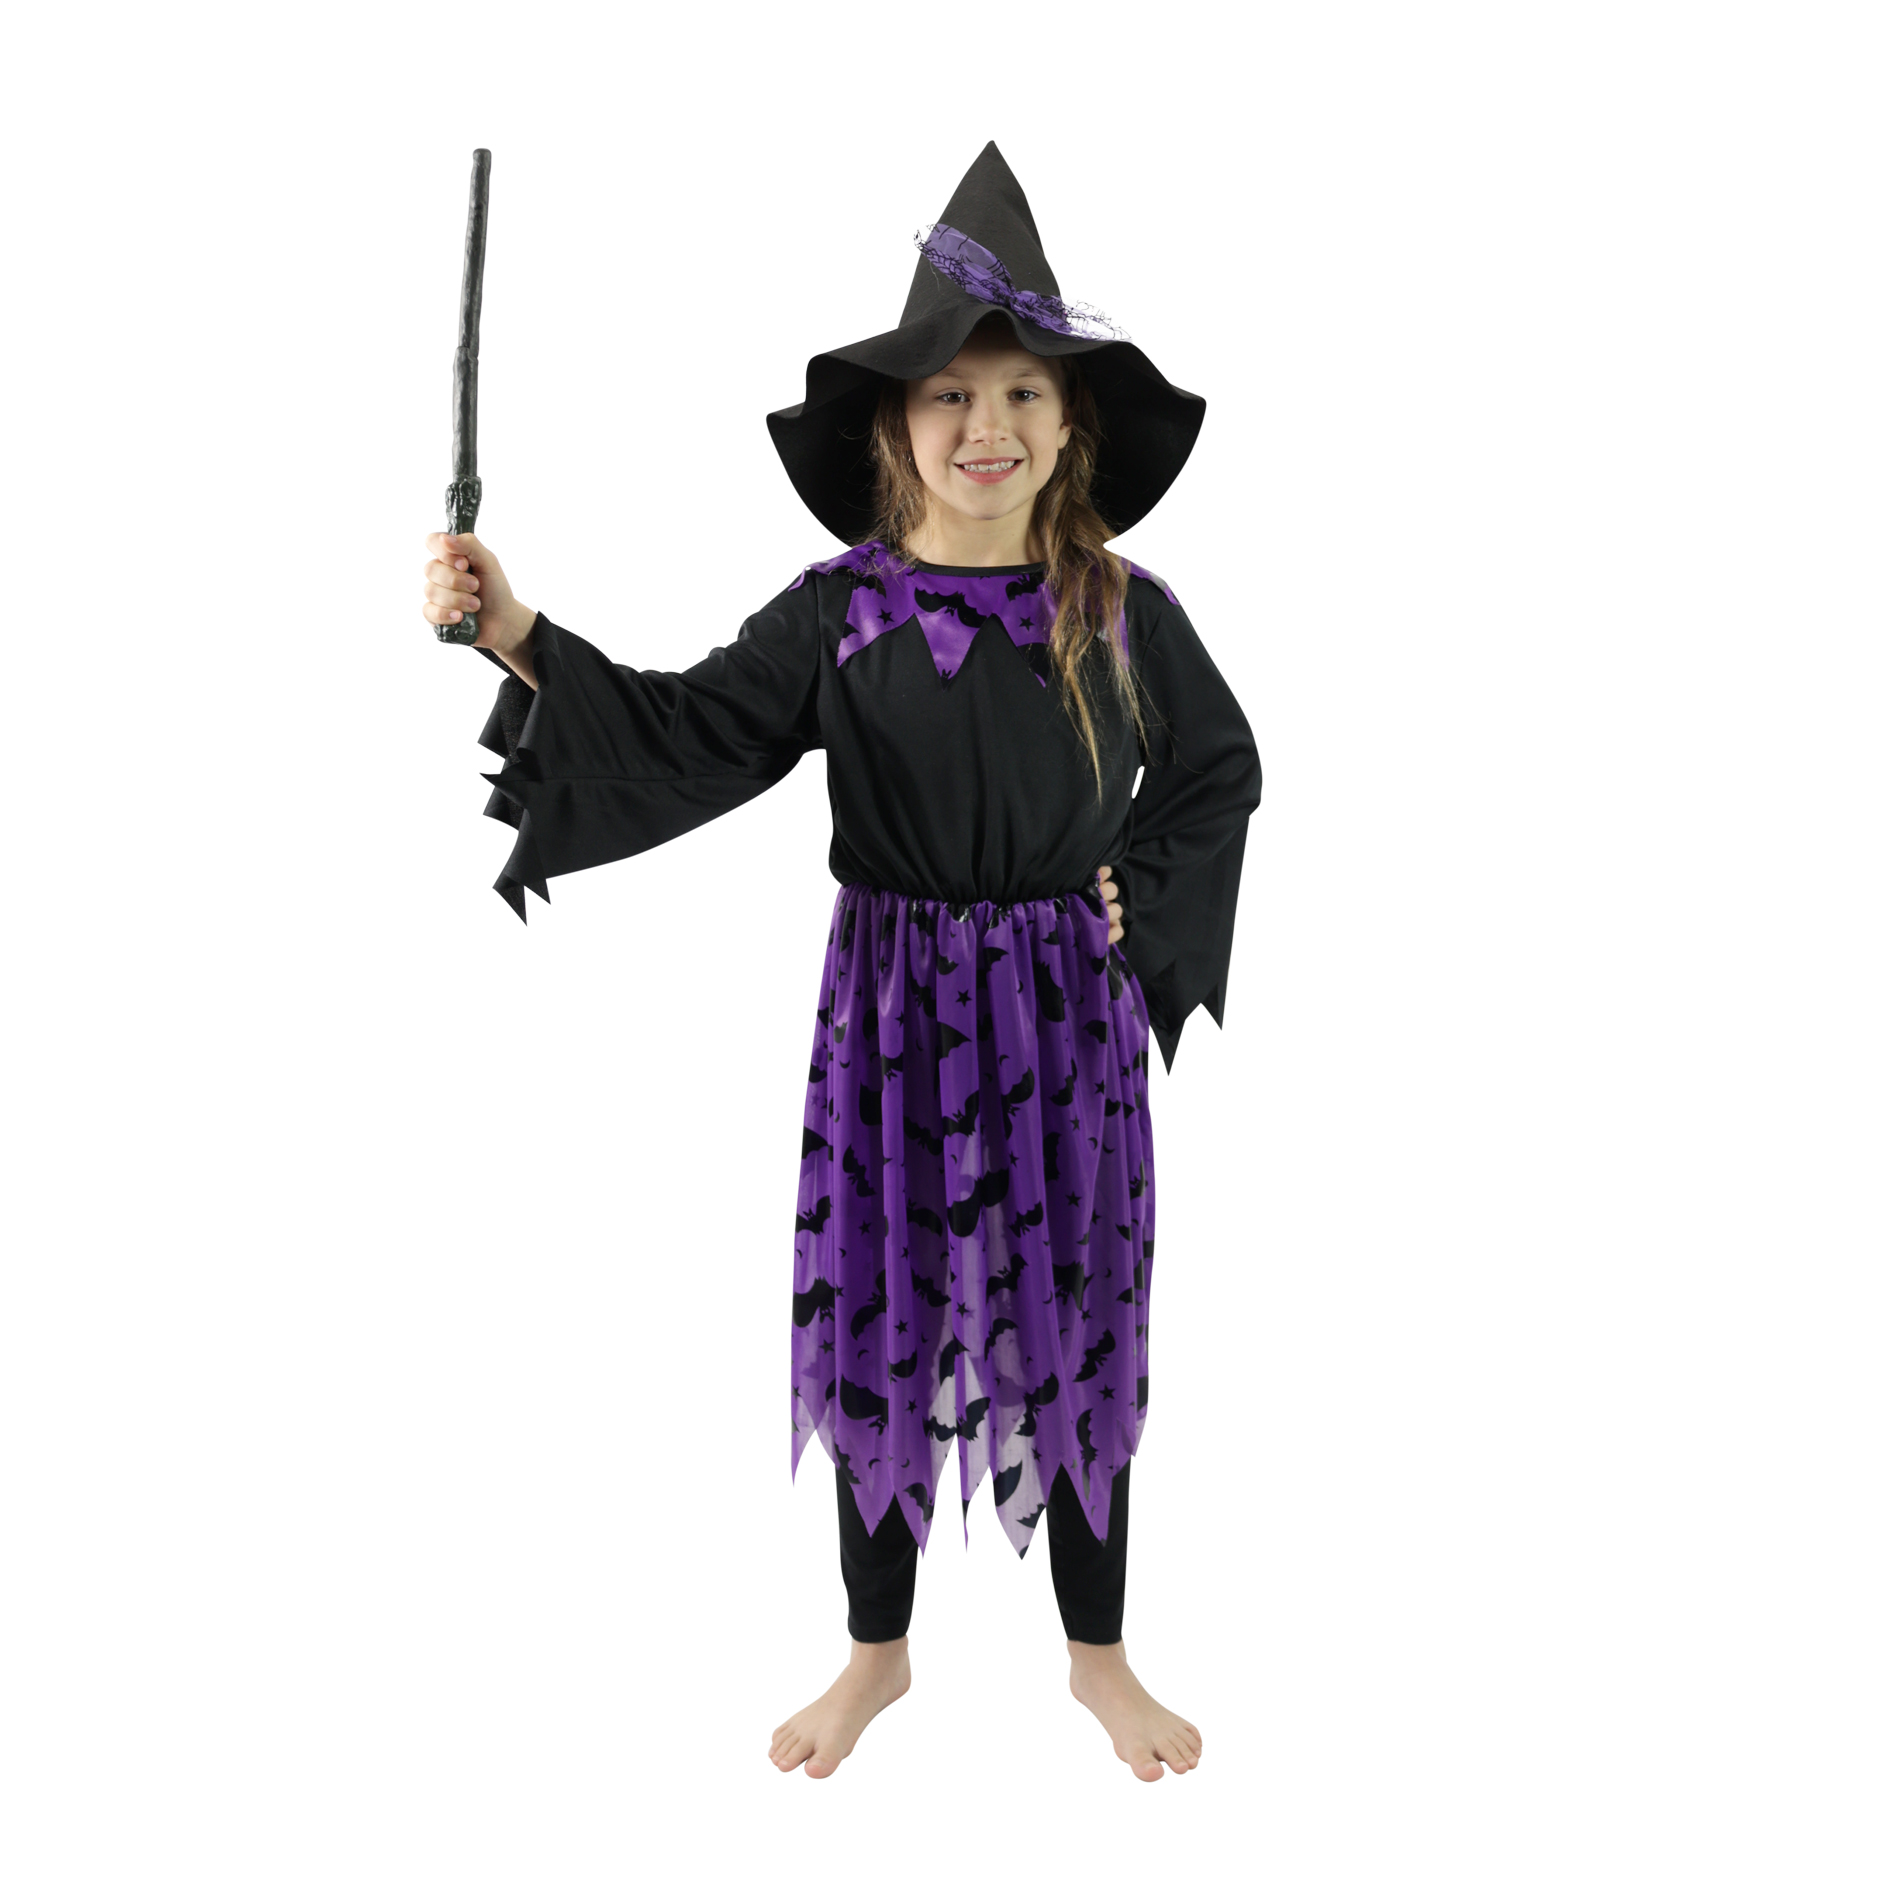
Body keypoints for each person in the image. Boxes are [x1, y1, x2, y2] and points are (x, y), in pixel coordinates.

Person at [420, 144, 1260, 1782]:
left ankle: (1099, 1655)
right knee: (880, 1297)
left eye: (1020, 393)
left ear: (1069, 427)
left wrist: (1140, 895)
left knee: (1078, 1308)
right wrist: (517, 632)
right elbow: (683, 731)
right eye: (949, 395)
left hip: (1065, 1019)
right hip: (890, 1018)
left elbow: (1221, 770)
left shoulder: (1120, 611)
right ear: (894, 429)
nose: (985, 425)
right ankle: (878, 1650)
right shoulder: (839, 615)